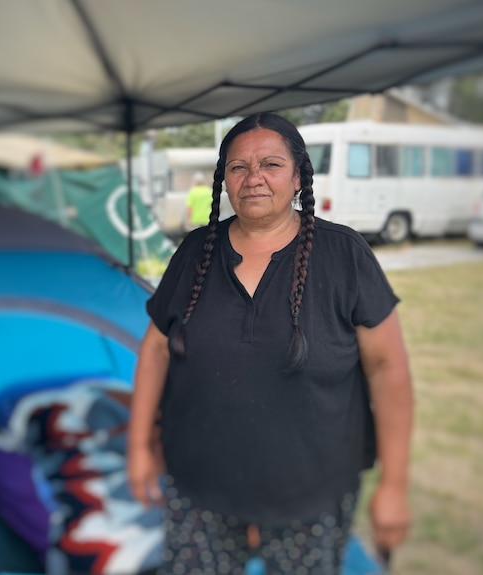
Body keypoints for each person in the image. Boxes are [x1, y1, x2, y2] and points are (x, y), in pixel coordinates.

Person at [127, 112, 413, 575]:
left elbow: (388, 368)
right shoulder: (194, 251)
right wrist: (139, 445)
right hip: (199, 482)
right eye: (238, 167)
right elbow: (156, 350)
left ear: (299, 174)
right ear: (224, 179)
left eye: (271, 165)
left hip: (312, 490)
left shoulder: (345, 255)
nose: (253, 178)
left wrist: (394, 484)